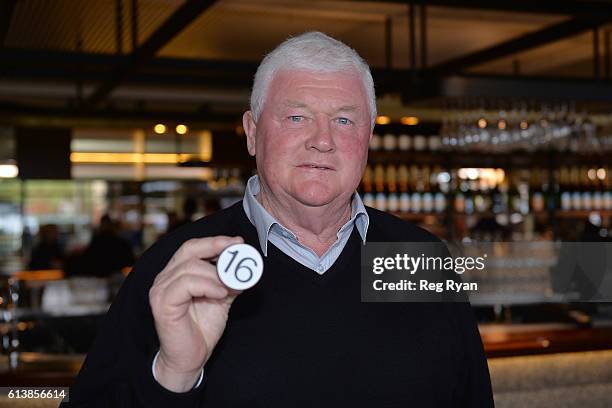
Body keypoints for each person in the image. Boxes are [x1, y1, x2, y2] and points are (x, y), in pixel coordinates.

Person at [64, 32, 493, 407]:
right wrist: (174, 374)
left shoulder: (420, 260)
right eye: (296, 117)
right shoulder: (180, 267)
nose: (323, 141)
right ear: (252, 133)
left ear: (367, 140)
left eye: (344, 120)